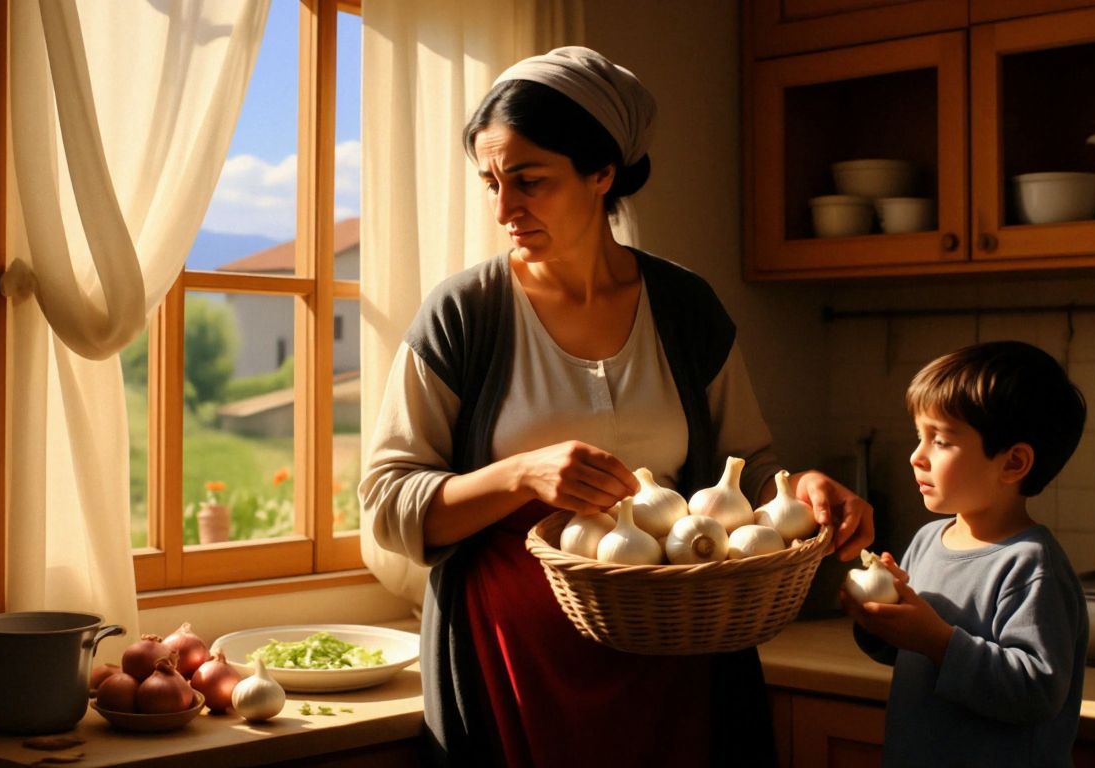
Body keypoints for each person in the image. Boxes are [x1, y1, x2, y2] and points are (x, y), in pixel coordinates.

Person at [359, 46, 873, 768]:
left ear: (601, 174)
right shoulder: (465, 314)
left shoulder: (685, 308)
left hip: (680, 661)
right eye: (490, 182)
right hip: (512, 669)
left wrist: (798, 488)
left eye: (529, 181)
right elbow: (385, 502)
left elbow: (753, 464)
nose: (504, 208)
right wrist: (520, 475)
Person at [840, 340, 1088, 767]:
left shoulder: (1030, 565)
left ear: (1013, 464)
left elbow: (1037, 691)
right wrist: (878, 621)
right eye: (921, 436)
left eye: (940, 440)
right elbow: (907, 653)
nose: (917, 456)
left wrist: (937, 640)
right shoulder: (927, 541)